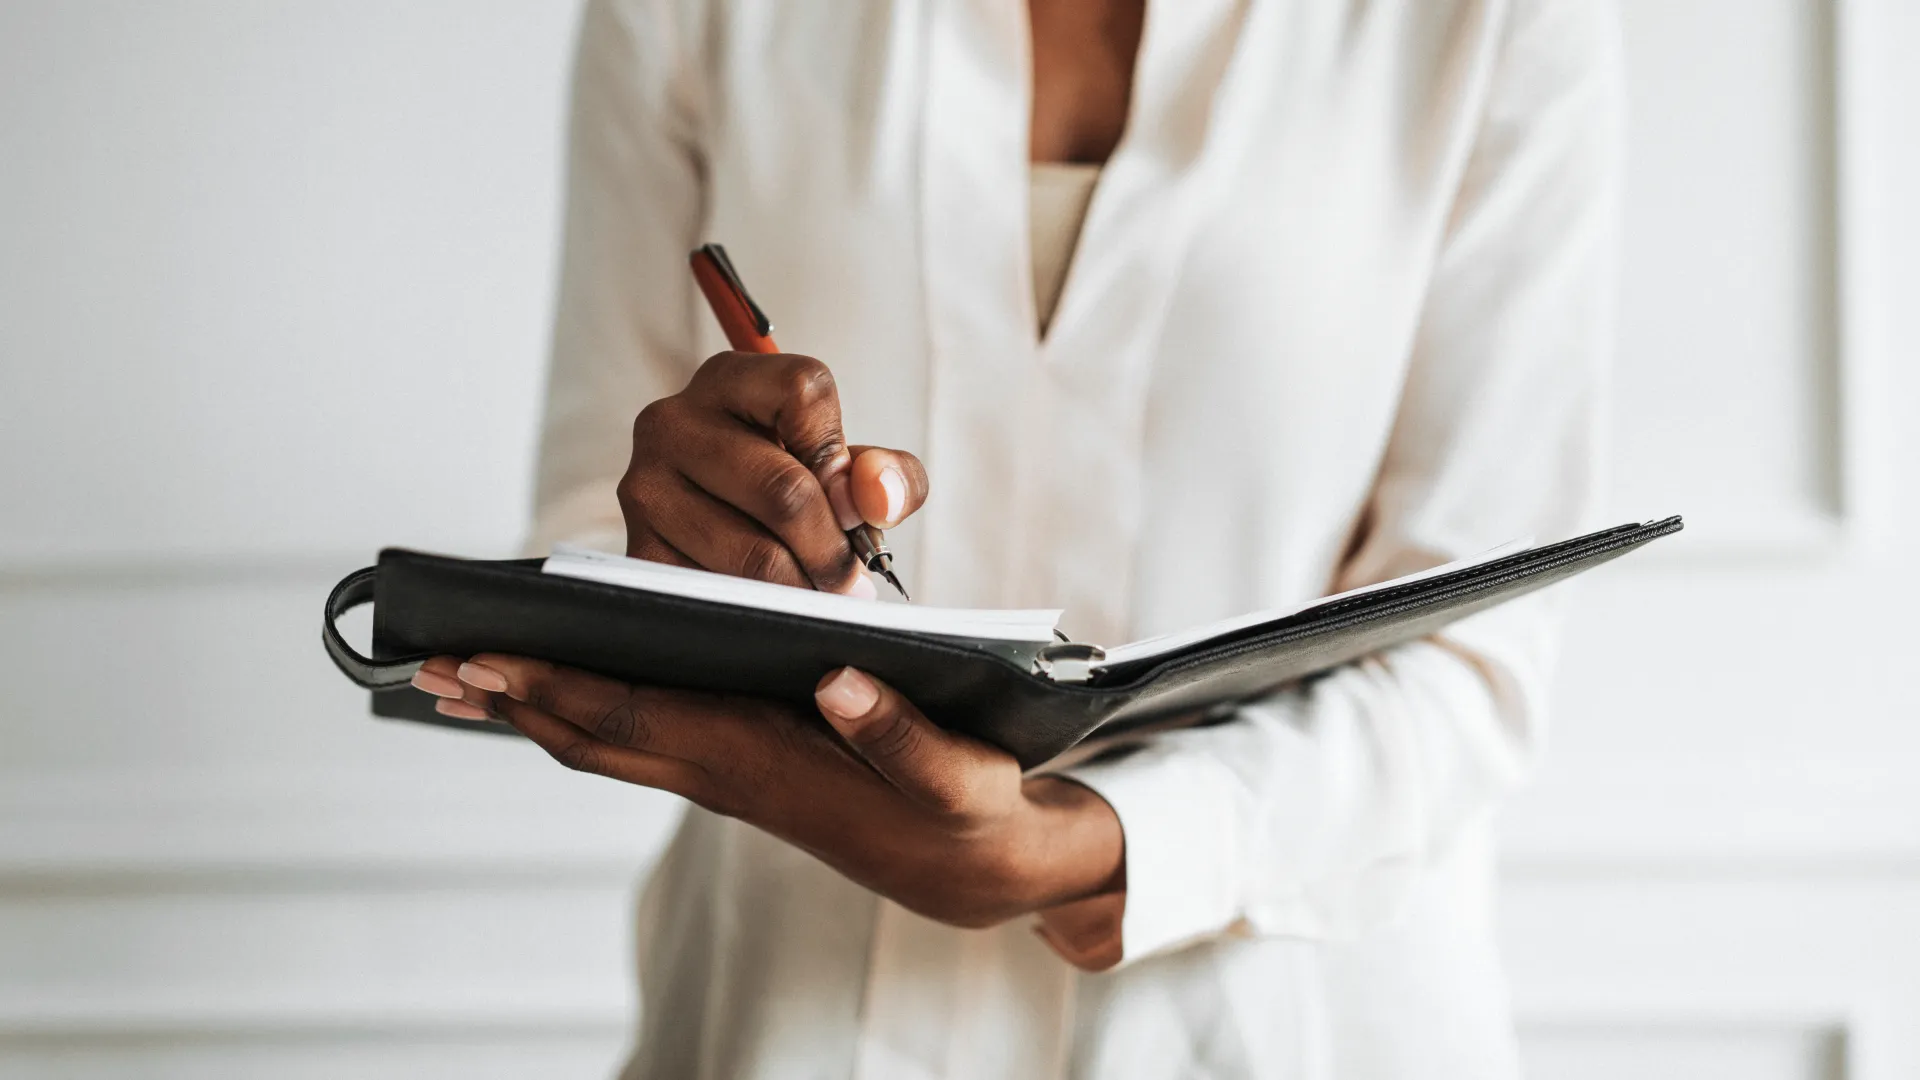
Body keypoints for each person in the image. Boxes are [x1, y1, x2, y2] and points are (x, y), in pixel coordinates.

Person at [408, 0, 1622, 1075]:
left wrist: (1105, 845)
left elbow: (1479, 647)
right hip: (780, 1018)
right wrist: (691, 562)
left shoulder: (1499, 20)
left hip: (1293, 1026)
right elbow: (587, 517)